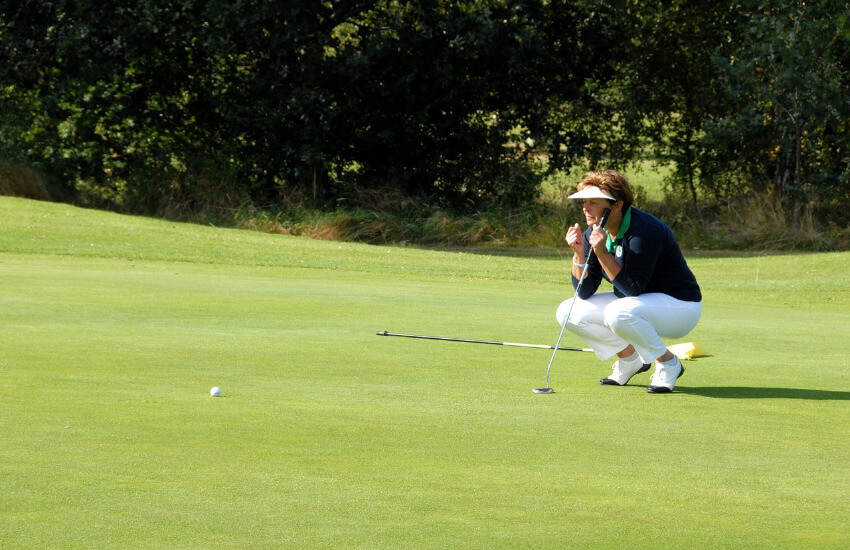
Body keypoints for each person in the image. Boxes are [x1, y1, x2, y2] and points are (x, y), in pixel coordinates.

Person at [557, 170, 702, 393]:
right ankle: (630, 359)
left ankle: (668, 363)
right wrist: (578, 253)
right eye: (585, 202)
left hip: (680, 307)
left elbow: (633, 288)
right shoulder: (593, 232)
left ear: (616, 205)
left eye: (594, 202)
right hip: (636, 304)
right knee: (569, 310)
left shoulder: (645, 230)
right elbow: (584, 291)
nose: (586, 208)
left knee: (618, 312)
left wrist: (601, 252)